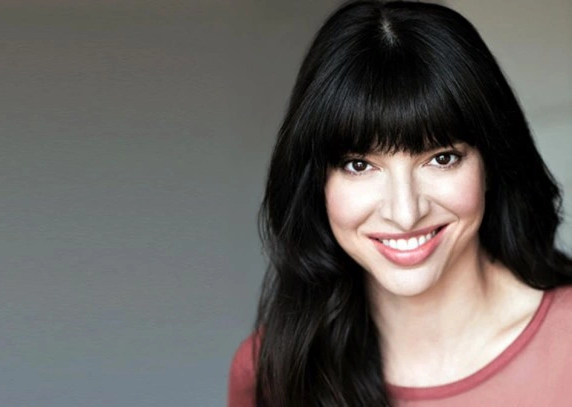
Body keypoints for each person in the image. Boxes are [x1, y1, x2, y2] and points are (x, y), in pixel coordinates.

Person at [227, 1, 572, 406]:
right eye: (359, 165)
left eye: (441, 158)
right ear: (315, 182)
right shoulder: (270, 372)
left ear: (491, 162)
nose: (405, 213)